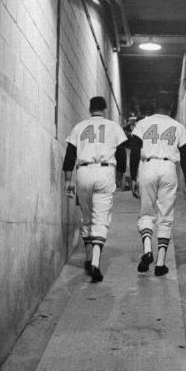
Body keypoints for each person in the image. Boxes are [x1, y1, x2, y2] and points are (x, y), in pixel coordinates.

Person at [62, 96, 128, 282]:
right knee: (101, 219)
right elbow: (122, 155)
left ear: (90, 109)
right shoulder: (113, 127)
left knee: (87, 217)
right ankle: (96, 263)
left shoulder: (79, 127)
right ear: (105, 109)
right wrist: (120, 176)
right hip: (105, 172)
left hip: (83, 172)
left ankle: (88, 256)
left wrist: (68, 180)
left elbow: (69, 155)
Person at [129, 103, 186, 276]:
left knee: (146, 213)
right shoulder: (178, 127)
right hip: (169, 168)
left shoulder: (142, 124)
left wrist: (133, 177)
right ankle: (160, 263)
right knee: (165, 217)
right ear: (171, 109)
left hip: (147, 167)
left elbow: (135, 152)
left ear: (153, 108)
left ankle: (148, 249)